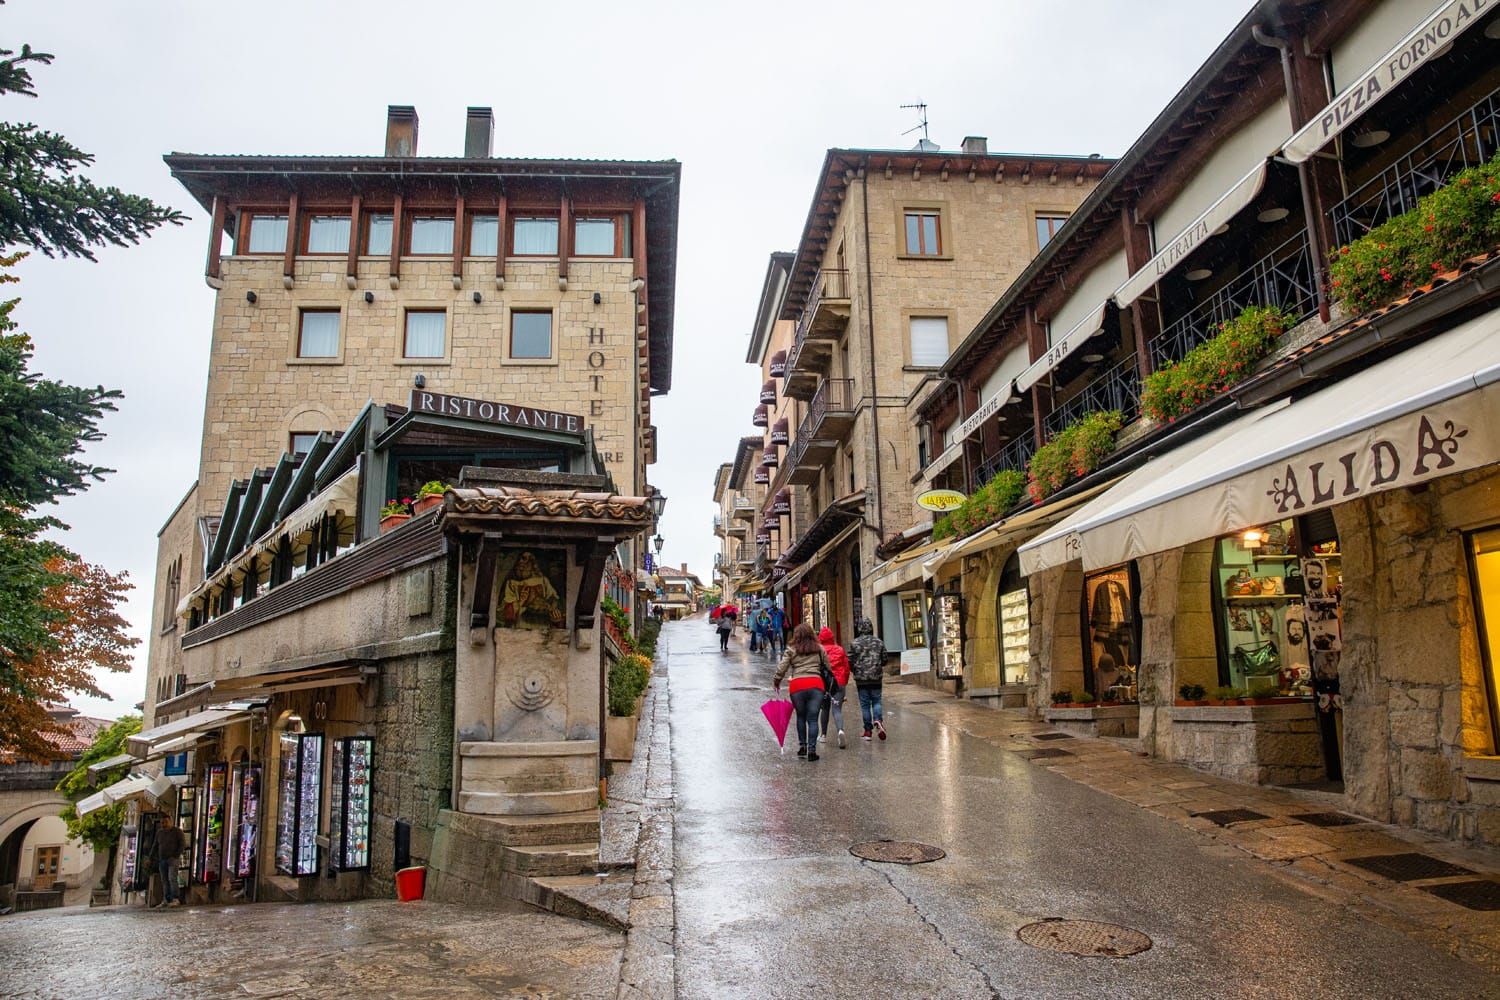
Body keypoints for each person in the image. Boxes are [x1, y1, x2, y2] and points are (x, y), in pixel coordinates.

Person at [773, 623, 830, 761]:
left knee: (801, 717)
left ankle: (802, 746)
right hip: (816, 684)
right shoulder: (819, 648)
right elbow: (828, 667)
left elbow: (782, 667)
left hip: (797, 685)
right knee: (812, 719)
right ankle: (812, 750)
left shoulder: (791, 649)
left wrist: (777, 681)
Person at [849, 617, 888, 741]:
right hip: (876, 677)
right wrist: (878, 665)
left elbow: (850, 660)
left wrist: (855, 670)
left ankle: (867, 731)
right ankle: (878, 719)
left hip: (861, 678)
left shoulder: (854, 643)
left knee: (865, 705)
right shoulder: (879, 642)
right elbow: (885, 659)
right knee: (877, 701)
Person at [817, 626, 851, 749]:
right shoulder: (840, 650)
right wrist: (844, 683)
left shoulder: (819, 651)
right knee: (837, 710)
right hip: (839, 683)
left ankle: (823, 735)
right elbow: (847, 669)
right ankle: (840, 731)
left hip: (825, 684)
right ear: (832, 637)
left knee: (825, 709)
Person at [153, 815, 185, 907]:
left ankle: (175, 898)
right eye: (162, 823)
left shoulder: (177, 832)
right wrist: (151, 858)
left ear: (171, 821)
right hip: (162, 859)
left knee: (172, 878)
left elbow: (182, 844)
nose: (164, 824)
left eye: (166, 822)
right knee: (164, 880)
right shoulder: (159, 833)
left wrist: (176, 855)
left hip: (173, 859)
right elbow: (155, 845)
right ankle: (166, 899)